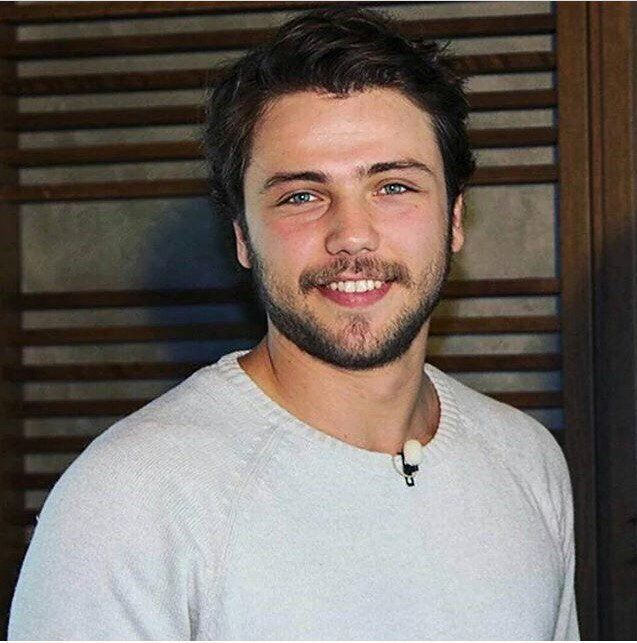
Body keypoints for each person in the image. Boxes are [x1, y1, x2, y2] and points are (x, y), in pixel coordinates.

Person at [9, 7, 579, 640]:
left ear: (454, 219)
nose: (351, 235)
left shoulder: (526, 459)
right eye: (301, 196)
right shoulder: (133, 498)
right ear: (243, 238)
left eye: (393, 186)